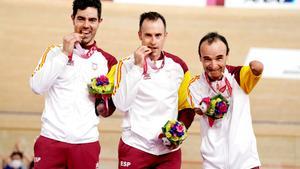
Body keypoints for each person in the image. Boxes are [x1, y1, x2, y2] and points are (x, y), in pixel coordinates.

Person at [29, 0, 117, 168]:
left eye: (92, 20)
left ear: (100, 22)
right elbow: (37, 86)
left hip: (86, 143)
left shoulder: (108, 61)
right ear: (72, 19)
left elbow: (109, 108)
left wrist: (103, 104)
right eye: (81, 19)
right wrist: (64, 54)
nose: (86, 25)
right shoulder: (54, 52)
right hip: (51, 141)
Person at [112, 11, 195, 169]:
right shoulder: (126, 65)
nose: (153, 41)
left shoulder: (178, 66)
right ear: (139, 35)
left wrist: (177, 135)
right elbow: (121, 104)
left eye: (158, 35)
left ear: (165, 35)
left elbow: (186, 106)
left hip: (168, 152)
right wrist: (137, 67)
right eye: (148, 35)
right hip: (135, 146)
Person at [188, 32, 263, 169]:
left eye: (219, 58)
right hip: (213, 163)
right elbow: (198, 109)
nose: (213, 64)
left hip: (245, 162)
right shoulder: (195, 85)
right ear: (200, 58)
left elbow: (257, 70)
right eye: (207, 59)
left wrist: (256, 67)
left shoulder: (238, 76)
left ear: (227, 55)